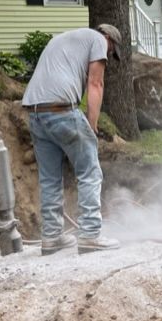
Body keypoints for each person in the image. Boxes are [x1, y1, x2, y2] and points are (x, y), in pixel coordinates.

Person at [22, 24, 124, 255]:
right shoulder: (98, 40)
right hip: (61, 110)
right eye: (110, 51)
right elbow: (96, 84)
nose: (107, 55)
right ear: (107, 37)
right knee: (89, 172)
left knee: (49, 179)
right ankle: (90, 234)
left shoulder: (62, 39)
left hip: (36, 114)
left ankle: (51, 237)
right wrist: (92, 124)